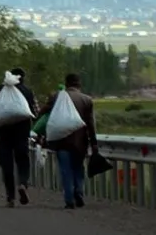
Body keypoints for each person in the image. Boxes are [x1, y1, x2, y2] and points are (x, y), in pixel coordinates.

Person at [38, 73, 99, 209]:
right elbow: (91, 124)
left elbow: (42, 113)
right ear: (79, 84)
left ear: (66, 84)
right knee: (78, 168)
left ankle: (69, 199)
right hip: (80, 142)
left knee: (66, 170)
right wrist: (94, 143)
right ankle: (79, 193)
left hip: (62, 142)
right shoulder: (86, 100)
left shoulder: (57, 97)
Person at [0, 67, 39, 207]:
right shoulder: (28, 92)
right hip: (22, 132)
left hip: (3, 133)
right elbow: (35, 112)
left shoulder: (0, 90)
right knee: (22, 160)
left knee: (6, 164)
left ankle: (10, 197)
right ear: (23, 78)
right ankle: (23, 184)